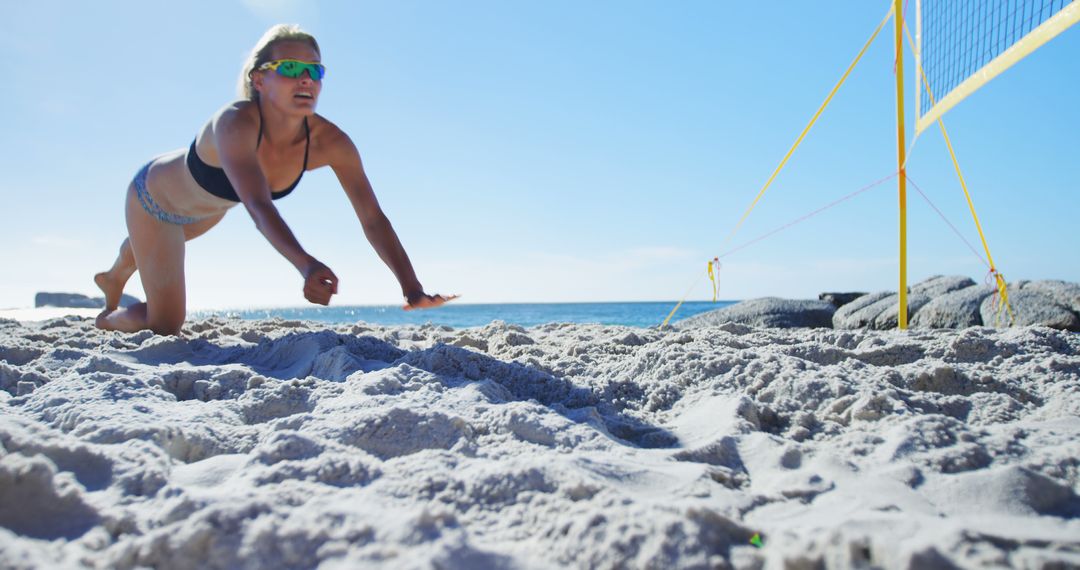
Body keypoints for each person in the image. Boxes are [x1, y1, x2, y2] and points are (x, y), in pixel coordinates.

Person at [94, 24, 454, 336]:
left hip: (207, 212)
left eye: (315, 71)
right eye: (291, 67)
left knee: (160, 259)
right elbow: (258, 206)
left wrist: (411, 288)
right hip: (153, 203)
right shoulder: (234, 123)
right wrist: (307, 264)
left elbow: (372, 218)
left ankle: (117, 273)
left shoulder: (331, 143)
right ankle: (109, 318)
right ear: (260, 79)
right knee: (166, 325)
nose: (305, 79)